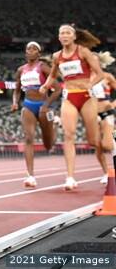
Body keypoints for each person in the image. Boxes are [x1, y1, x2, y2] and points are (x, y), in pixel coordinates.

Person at [40, 25, 105, 190]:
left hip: (87, 96)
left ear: (74, 36)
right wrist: (46, 86)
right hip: (69, 97)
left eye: (68, 32)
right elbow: (53, 75)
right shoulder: (57, 56)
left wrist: (90, 84)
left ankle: (106, 170)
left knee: (93, 140)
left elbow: (100, 73)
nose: (64, 35)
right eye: (61, 33)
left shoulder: (83, 52)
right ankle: (70, 177)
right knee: (69, 136)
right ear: (59, 37)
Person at [11, 42, 60, 187]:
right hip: (28, 105)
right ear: (25, 53)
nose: (30, 51)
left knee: (48, 145)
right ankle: (30, 175)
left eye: (34, 49)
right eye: (28, 49)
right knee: (28, 138)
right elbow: (17, 89)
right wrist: (15, 102)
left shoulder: (43, 68)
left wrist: (46, 105)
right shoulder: (21, 70)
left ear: (39, 53)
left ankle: (55, 126)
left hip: (43, 106)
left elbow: (57, 89)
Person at [88, 53, 116, 184]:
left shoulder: (107, 76)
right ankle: (106, 173)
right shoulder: (85, 79)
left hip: (106, 112)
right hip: (92, 115)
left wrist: (113, 104)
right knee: (97, 146)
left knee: (107, 144)